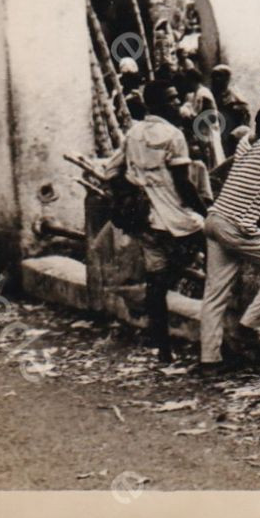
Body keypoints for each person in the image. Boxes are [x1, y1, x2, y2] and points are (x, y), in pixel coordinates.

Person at [90, 83, 210, 363]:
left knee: (156, 282)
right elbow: (184, 183)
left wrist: (133, 190)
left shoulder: (133, 133)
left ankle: (163, 348)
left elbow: (110, 171)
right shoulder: (173, 135)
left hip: (145, 220)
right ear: (159, 104)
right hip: (176, 220)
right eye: (172, 98)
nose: (177, 101)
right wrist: (207, 211)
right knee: (203, 251)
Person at [197, 104, 260, 376]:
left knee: (214, 294)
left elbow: (248, 184)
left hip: (215, 218)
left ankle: (209, 360)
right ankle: (248, 327)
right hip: (235, 225)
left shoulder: (246, 144)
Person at [210, 65, 252, 153]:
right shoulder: (211, 95)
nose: (215, 79)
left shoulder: (235, 97)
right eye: (214, 76)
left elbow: (245, 118)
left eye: (219, 76)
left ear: (227, 79)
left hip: (230, 133)